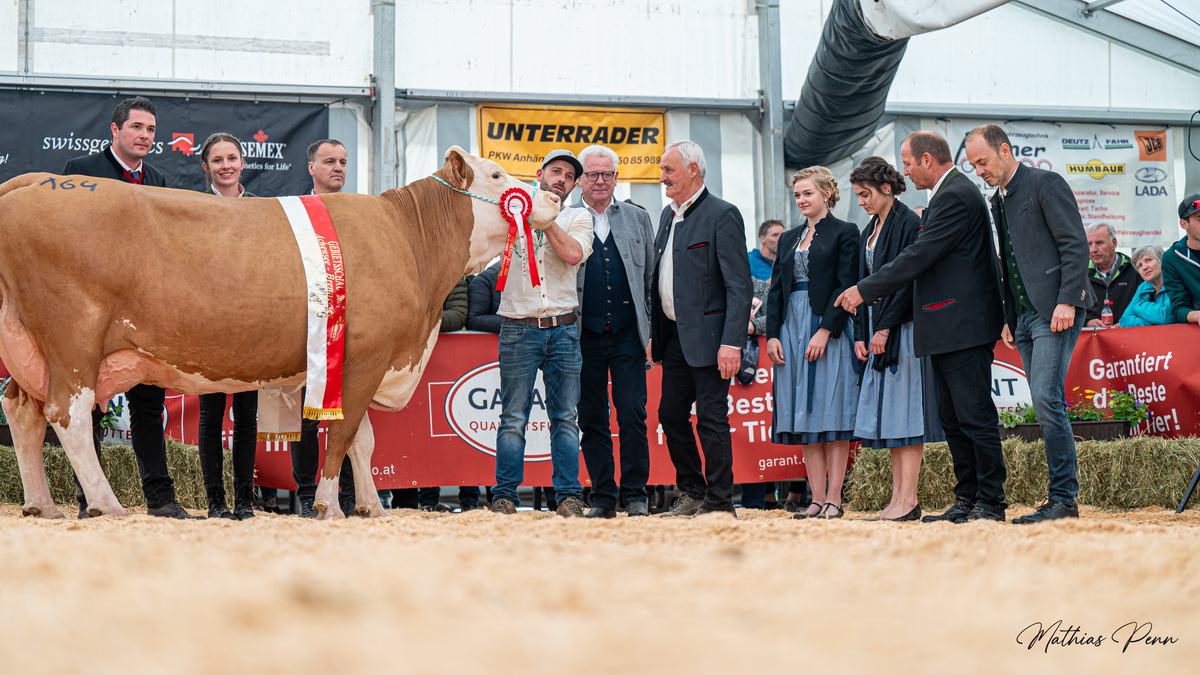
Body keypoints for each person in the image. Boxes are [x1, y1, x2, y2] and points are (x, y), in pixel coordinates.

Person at [836, 131, 1006, 524]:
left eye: (908, 163)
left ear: (928, 160)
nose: (905, 171)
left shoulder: (956, 195)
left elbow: (920, 255)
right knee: (953, 418)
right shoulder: (945, 196)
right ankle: (967, 498)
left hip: (963, 323)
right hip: (946, 325)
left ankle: (991, 501)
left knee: (974, 414)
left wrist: (865, 290)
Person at [62, 96, 201, 520]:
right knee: (89, 403)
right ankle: (91, 497)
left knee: (149, 406)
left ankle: (160, 499)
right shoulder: (80, 173)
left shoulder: (160, 180)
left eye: (151, 130)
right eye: (137, 127)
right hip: (93, 309)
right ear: (115, 130)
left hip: (146, 314)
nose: (144, 136)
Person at [966, 124, 1090, 524]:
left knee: (1046, 400)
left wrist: (1068, 299)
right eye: (974, 165)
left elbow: (1075, 244)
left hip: (1055, 309)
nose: (979, 170)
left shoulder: (1045, 182)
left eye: (983, 162)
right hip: (1023, 315)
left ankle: (1064, 500)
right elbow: (1007, 263)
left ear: (1005, 150)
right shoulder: (997, 199)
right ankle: (1059, 499)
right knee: (1043, 401)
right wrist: (1008, 316)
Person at [651, 140, 753, 517]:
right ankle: (692, 490)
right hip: (675, 337)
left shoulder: (722, 214)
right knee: (671, 415)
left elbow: (739, 285)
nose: (662, 178)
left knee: (711, 417)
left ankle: (720, 502)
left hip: (712, 340)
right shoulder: (667, 215)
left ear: (693, 170)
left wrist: (732, 342)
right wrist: (653, 335)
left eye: (668, 170)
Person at [489, 149, 593, 517]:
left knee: (565, 418)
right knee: (513, 418)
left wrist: (547, 219)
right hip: (518, 328)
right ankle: (504, 497)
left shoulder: (579, 216)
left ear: (575, 184)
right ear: (540, 174)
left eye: (569, 175)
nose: (562, 179)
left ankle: (568, 497)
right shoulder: (510, 211)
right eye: (556, 171)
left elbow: (573, 254)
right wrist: (530, 211)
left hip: (564, 329)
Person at [848, 157, 944, 522]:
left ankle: (909, 498)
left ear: (886, 188)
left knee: (905, 415)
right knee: (890, 417)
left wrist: (885, 327)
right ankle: (897, 497)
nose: (861, 202)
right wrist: (862, 332)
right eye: (858, 196)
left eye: (865, 194)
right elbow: (861, 283)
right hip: (875, 324)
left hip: (902, 326)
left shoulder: (909, 223)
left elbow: (909, 280)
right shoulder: (869, 228)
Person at [765, 166, 860, 520]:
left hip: (827, 325)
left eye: (808, 193)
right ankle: (816, 498)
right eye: (798, 195)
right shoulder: (788, 238)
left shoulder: (846, 232)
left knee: (830, 412)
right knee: (804, 417)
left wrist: (826, 330)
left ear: (826, 194)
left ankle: (835, 498)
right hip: (791, 327)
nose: (802, 200)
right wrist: (773, 333)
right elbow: (777, 288)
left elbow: (846, 283)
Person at [572, 144, 655, 519]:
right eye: (592, 174)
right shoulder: (563, 218)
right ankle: (603, 498)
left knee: (633, 414)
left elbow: (651, 280)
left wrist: (652, 332)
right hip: (581, 336)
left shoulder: (638, 218)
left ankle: (636, 494)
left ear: (617, 178)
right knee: (591, 418)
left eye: (607, 174)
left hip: (627, 335)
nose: (600, 181)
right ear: (581, 179)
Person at [195, 132, 260, 520]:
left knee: (247, 416)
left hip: (252, 328)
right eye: (217, 160)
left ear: (242, 163)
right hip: (209, 327)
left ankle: (245, 502)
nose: (226, 165)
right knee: (210, 416)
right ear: (206, 167)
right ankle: (216, 502)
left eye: (232, 158)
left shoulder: (262, 209)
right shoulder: (196, 207)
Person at [290, 139, 355, 518]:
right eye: (329, 161)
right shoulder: (296, 214)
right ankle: (306, 491)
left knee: (347, 415)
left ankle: (344, 492)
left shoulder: (360, 214)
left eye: (343, 162)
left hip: (349, 330)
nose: (338, 168)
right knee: (307, 417)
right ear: (311, 167)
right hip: (310, 328)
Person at [415, 277, 483, 512]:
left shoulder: (455, 279)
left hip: (457, 364)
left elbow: (458, 316)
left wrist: (418, 321)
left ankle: (469, 501)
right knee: (426, 434)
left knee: (468, 433)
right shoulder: (411, 276)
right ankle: (427, 500)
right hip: (423, 367)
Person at [1084, 223, 1137, 327]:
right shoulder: (1080, 274)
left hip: (1129, 336)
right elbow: (1071, 310)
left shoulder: (1135, 270)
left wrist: (1127, 322)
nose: (1093, 249)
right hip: (1093, 338)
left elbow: (1145, 306)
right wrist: (1087, 322)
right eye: (1089, 244)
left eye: (1099, 243)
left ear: (1114, 243)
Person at [1162, 194, 1200, 325]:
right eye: (1199, 219)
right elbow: (1179, 308)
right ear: (1184, 224)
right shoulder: (1171, 258)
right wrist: (1197, 316)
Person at [1119, 246, 1171, 327]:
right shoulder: (1143, 287)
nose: (1144, 267)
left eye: (1148, 260)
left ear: (1162, 260)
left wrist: (1139, 306)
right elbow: (1125, 320)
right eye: (1139, 265)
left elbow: (1165, 316)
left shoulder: (1174, 282)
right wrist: (1153, 323)